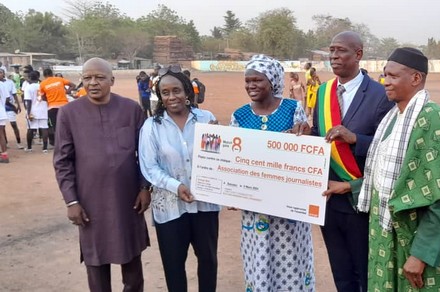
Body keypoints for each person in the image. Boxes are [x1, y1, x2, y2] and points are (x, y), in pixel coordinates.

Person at [358, 47, 440, 291]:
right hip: (387, 236)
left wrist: (421, 254)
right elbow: (383, 174)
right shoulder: (393, 118)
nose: (385, 82)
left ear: (416, 78)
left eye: (393, 76)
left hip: (416, 239)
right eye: (385, 75)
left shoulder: (431, 120)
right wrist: (350, 187)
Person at [53, 58, 150, 292]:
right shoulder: (68, 114)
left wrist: (145, 187)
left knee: (132, 266)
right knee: (96, 264)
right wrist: (72, 201)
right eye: (87, 78)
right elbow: (62, 161)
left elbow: (146, 153)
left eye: (99, 77)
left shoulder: (131, 110)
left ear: (112, 80)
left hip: (128, 200)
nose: (93, 82)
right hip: (90, 202)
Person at [311, 31, 394, 291]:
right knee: (341, 271)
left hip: (361, 199)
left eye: (340, 50)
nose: (334, 56)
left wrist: (356, 139)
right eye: (331, 50)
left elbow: (389, 148)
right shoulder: (323, 92)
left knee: (365, 271)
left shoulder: (381, 94)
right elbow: (319, 138)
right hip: (329, 200)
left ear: (358, 54)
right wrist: (304, 135)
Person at [230, 55, 313, 291]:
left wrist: (304, 136)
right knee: (258, 260)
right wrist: (230, 191)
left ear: (273, 81)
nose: (251, 85)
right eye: (248, 81)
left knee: (291, 261)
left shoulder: (293, 109)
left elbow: (305, 156)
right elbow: (232, 162)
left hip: (289, 209)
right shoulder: (240, 115)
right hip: (255, 209)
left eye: (257, 80)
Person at [139, 65, 220, 292]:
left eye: (176, 91)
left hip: (205, 205)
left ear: (187, 92)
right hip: (171, 208)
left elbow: (218, 158)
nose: (172, 97)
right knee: (174, 266)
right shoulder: (151, 127)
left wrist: (220, 138)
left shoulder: (207, 119)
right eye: (165, 93)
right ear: (160, 97)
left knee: (208, 261)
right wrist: (177, 186)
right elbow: (150, 167)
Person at [40, 68, 75, 147]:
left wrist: (49, 99)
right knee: (68, 125)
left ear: (44, 75)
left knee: (56, 127)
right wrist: (67, 91)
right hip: (64, 106)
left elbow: (42, 97)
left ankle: (60, 145)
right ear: (52, 74)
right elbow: (73, 85)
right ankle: (71, 142)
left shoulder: (42, 84)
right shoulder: (59, 79)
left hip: (52, 107)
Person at [23, 71, 48, 152]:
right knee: (44, 128)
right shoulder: (42, 85)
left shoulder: (28, 87)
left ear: (30, 78)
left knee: (30, 129)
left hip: (33, 111)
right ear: (37, 78)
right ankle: (45, 148)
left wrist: (28, 113)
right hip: (43, 110)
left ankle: (29, 148)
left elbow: (28, 101)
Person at [1, 68, 22, 149]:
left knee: (13, 124)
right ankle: (5, 143)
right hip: (2, 107)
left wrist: (18, 105)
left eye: (1, 73)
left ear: (4, 73)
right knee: (2, 127)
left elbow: (14, 94)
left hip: (9, 106)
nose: (0, 74)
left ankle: (18, 142)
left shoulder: (10, 82)